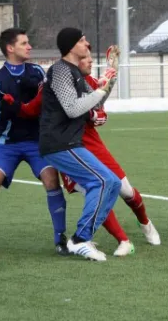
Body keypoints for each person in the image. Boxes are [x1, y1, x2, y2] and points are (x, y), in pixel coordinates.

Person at [59, 51, 161, 256]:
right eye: (85, 57)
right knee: (96, 193)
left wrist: (99, 115)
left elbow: (100, 105)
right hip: (69, 148)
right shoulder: (60, 83)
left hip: (92, 144)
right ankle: (123, 240)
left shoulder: (89, 81)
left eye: (90, 57)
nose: (89, 60)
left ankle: (145, 222)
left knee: (127, 192)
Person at [0, 28, 68, 255]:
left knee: (52, 182)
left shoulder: (37, 72)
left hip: (38, 142)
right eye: (24, 43)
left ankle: (60, 239)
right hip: (7, 144)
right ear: (10, 48)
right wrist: (4, 114)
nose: (29, 47)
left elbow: (51, 101)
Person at [39, 27, 121, 261]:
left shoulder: (74, 72)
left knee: (112, 183)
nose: (87, 44)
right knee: (103, 181)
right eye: (83, 40)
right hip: (59, 142)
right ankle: (80, 239)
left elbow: (96, 102)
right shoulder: (61, 71)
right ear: (71, 46)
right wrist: (100, 88)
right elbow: (74, 107)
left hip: (69, 142)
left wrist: (110, 77)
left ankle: (83, 237)